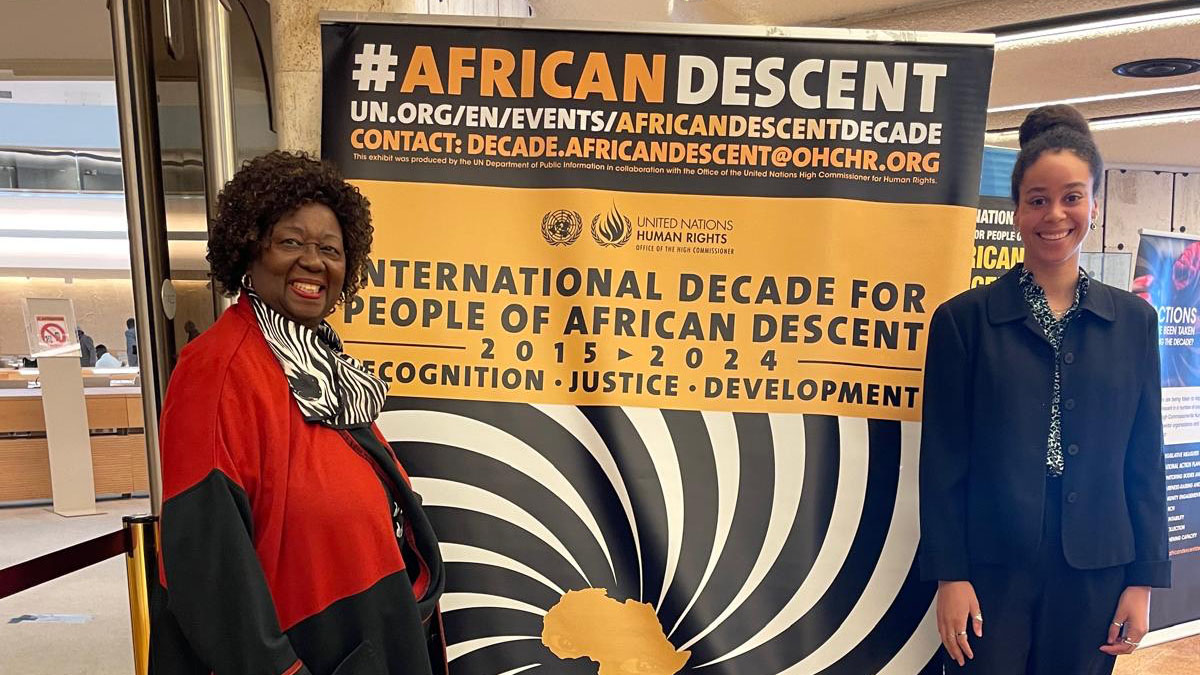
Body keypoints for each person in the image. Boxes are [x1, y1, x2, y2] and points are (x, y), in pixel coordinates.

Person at [152, 151, 447, 675]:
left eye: (330, 249)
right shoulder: (218, 369)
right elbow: (207, 568)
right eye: (291, 242)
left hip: (367, 633)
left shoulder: (323, 365)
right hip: (304, 650)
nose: (314, 261)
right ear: (248, 248)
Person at [919, 105, 1170, 675]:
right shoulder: (964, 321)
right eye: (1037, 199)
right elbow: (943, 461)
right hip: (991, 565)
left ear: (1094, 205)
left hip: (1098, 565)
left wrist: (1144, 581)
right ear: (1016, 211)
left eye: (1072, 197)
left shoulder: (1133, 322)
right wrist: (950, 574)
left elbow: (1143, 458)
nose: (1054, 215)